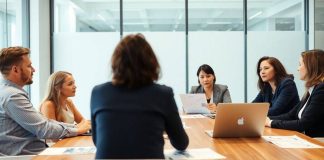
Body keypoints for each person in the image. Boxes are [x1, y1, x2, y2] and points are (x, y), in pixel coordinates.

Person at [90, 33, 189, 159]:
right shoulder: (163, 94)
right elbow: (181, 143)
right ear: (151, 62)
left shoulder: (98, 93)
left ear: (116, 62)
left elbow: (97, 142)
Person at [0, 47, 91, 156]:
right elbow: (43, 129)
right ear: (15, 70)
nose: (33, 70)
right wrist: (76, 129)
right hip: (28, 156)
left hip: (36, 152)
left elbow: (45, 122)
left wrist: (76, 128)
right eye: (29, 66)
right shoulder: (12, 96)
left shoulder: (8, 92)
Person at [265, 49, 324, 137]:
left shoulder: (321, 90)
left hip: (318, 143)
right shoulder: (312, 90)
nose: (298, 69)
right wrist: (265, 119)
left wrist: (270, 123)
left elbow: (302, 124)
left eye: (300, 65)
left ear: (311, 66)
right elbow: (290, 115)